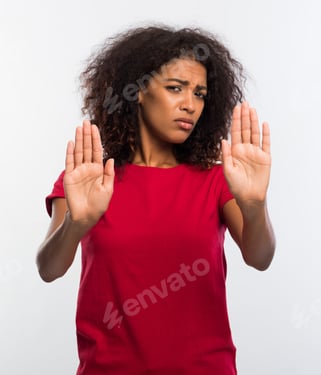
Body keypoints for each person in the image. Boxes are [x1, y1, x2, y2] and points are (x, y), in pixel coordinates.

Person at [36, 24, 275, 375]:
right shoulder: (90, 179)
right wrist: (76, 224)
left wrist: (255, 205)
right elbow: (48, 268)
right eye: (176, 88)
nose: (190, 105)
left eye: (199, 94)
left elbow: (260, 257)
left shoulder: (215, 180)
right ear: (138, 91)